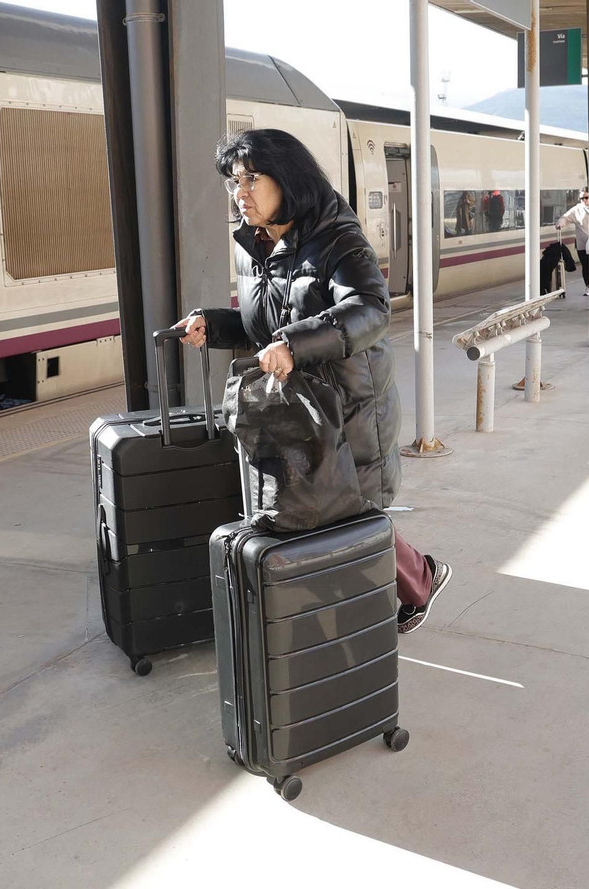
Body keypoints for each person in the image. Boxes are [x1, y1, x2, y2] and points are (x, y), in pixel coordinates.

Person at [175, 128, 452, 633]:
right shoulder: (254, 245)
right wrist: (212, 324)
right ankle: (360, 603)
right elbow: (266, 328)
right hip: (296, 406)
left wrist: (296, 345)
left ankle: (420, 578)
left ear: (289, 179)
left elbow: (370, 310)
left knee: (352, 513)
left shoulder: (338, 240)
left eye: (252, 179)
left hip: (349, 404)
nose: (240, 192)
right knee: (317, 508)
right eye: (233, 181)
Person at [554, 187, 589, 295]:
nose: (584, 200)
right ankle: (588, 286)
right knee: (586, 266)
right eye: (581, 198)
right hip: (583, 244)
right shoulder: (577, 209)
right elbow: (566, 217)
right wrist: (560, 223)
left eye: (586, 197)